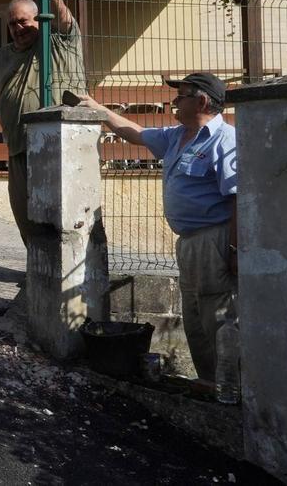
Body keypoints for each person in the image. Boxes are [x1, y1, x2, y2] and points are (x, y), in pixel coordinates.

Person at [78, 72, 237, 380]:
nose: (174, 101)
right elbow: (134, 132)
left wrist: (233, 250)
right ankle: (208, 385)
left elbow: (238, 199)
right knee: (194, 319)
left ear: (202, 100)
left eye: (182, 95)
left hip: (214, 241)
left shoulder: (225, 140)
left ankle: (230, 389)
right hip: (189, 243)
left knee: (217, 318)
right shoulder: (177, 135)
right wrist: (98, 108)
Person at [0, 0, 87, 242]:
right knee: (25, 216)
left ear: (39, 19)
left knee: (60, 216)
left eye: (24, 21)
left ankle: (63, 277)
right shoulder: (4, 55)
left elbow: (59, 7)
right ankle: (36, 271)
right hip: (18, 147)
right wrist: (2, 102)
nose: (18, 28)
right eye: (13, 24)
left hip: (56, 146)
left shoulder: (58, 43)